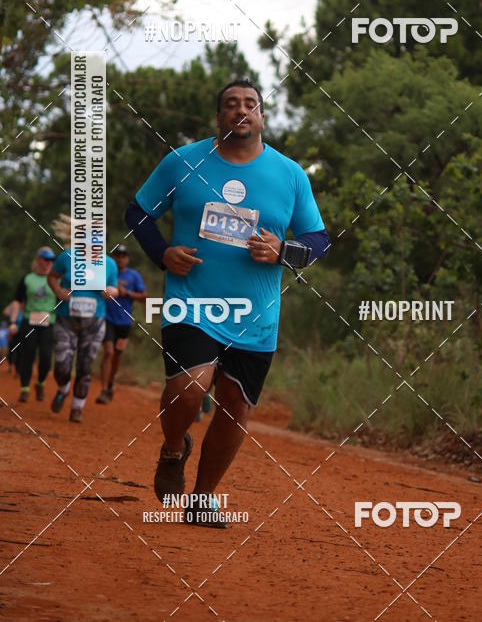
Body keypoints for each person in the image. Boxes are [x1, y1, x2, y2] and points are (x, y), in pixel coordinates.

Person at [125, 79, 329, 527]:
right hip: (192, 301)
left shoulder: (289, 174)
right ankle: (174, 448)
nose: (241, 110)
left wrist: (284, 251)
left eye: (250, 104)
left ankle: (202, 500)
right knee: (191, 386)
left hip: (256, 315)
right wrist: (161, 253)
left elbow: (318, 239)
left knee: (235, 407)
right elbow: (138, 212)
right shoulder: (182, 162)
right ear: (219, 116)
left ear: (261, 115)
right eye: (231, 104)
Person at [47, 215, 118, 423]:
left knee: (85, 366)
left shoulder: (109, 264)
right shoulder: (67, 257)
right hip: (66, 319)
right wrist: (59, 291)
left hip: (95, 322)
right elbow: (52, 277)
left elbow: (115, 288)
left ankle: (77, 407)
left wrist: (110, 292)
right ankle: (63, 388)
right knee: (61, 365)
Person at [96, 245, 147, 405]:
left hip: (124, 322)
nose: (120, 258)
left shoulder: (133, 275)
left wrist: (128, 293)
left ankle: (110, 383)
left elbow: (144, 296)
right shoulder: (107, 271)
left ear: (128, 258)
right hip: (107, 318)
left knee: (117, 355)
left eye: (123, 255)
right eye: (117, 255)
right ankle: (104, 390)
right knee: (109, 352)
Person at [14, 247, 57, 402]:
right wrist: (14, 321)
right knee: (28, 355)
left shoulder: (56, 279)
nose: (48, 263)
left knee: (46, 357)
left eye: (51, 260)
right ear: (38, 259)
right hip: (29, 321)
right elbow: (18, 301)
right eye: (46, 259)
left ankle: (40, 383)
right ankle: (24, 389)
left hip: (49, 323)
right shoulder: (27, 278)